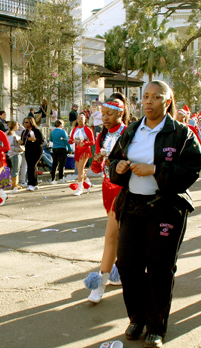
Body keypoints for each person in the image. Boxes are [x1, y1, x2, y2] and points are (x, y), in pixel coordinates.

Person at [109, 80, 201, 346]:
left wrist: (155, 170)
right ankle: (137, 318)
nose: (148, 101)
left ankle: (156, 326)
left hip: (166, 207)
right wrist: (120, 167)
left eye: (156, 97)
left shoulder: (182, 134)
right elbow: (112, 160)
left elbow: (193, 169)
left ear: (167, 101)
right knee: (128, 265)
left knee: (160, 268)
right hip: (132, 206)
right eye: (145, 97)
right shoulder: (132, 130)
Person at [84, 97, 129, 303]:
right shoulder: (101, 135)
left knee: (111, 236)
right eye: (102, 114)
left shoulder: (130, 133)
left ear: (121, 113)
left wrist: (117, 163)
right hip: (107, 189)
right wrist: (97, 161)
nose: (105, 118)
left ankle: (99, 285)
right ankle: (118, 271)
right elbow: (95, 169)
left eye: (109, 114)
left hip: (125, 190)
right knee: (119, 236)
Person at [69, 113, 95, 196]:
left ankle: (80, 188)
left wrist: (84, 143)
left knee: (80, 170)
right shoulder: (74, 129)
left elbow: (93, 141)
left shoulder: (88, 129)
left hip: (85, 151)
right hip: (77, 151)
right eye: (78, 118)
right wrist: (72, 141)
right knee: (81, 170)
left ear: (85, 120)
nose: (80, 120)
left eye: (81, 118)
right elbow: (70, 140)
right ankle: (87, 182)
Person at [20, 116, 44, 191]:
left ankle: (31, 184)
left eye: (27, 122)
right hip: (28, 150)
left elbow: (42, 141)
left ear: (31, 122)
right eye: (24, 122)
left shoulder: (36, 131)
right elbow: (23, 141)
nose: (25, 124)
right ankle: (34, 183)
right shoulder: (24, 132)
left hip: (36, 150)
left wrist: (35, 139)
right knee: (30, 166)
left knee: (32, 166)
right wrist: (21, 142)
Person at [49, 119, 71, 184]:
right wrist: (70, 149)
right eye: (63, 124)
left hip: (55, 148)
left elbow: (51, 140)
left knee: (55, 163)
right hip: (62, 148)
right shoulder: (63, 132)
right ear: (60, 124)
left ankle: (53, 178)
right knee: (62, 164)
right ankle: (61, 177)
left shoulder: (52, 132)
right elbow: (66, 141)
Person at [6, 120, 25, 192]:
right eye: (17, 125)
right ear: (14, 126)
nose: (18, 126)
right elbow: (11, 146)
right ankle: (14, 184)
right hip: (15, 154)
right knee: (16, 169)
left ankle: (15, 183)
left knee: (14, 169)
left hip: (11, 153)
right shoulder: (13, 135)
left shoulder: (7, 134)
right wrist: (19, 149)